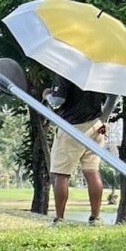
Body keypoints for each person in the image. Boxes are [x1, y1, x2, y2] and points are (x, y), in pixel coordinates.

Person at [44, 76, 115, 227]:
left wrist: (47, 95)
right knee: (92, 171)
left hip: (71, 127)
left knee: (61, 174)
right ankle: (95, 218)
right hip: (96, 126)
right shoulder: (100, 70)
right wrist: (104, 119)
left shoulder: (66, 71)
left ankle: (59, 219)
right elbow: (113, 96)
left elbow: (57, 102)